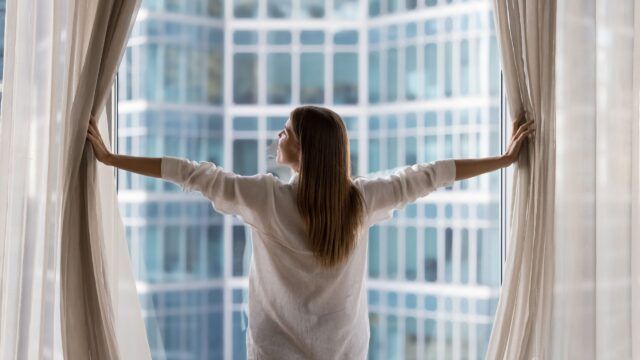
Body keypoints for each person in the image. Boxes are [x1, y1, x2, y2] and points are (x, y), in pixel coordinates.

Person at [86, 105, 534, 359]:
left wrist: (110, 159)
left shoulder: (264, 198)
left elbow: (189, 173)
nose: (276, 137)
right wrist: (503, 159)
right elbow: (433, 174)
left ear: (299, 148)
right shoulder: (362, 200)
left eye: (284, 132)